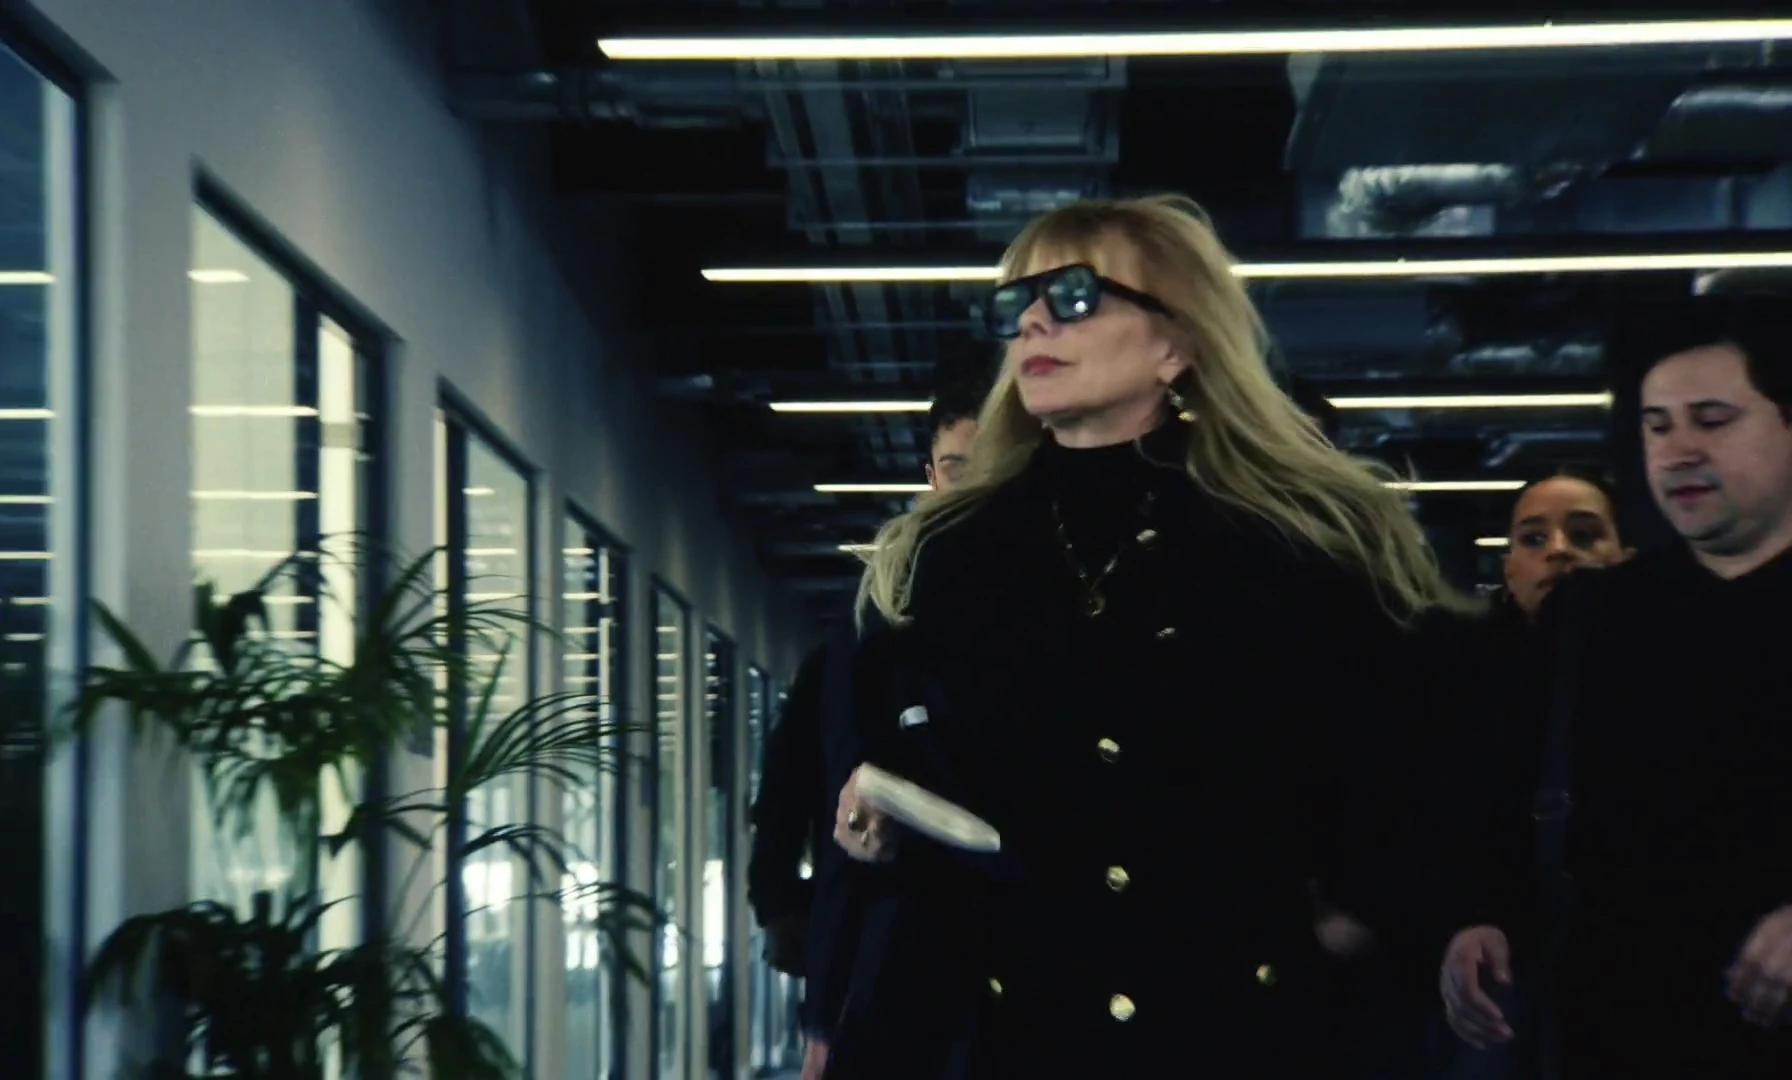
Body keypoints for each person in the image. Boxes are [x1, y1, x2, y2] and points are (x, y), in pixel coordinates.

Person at [819, 194, 1468, 1078]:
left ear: (1176, 343)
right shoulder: (941, 555)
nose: (1035, 321)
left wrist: (1357, 914)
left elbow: (1401, 765)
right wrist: (878, 828)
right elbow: (913, 778)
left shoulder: (1294, 542)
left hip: (1240, 1028)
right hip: (1013, 1031)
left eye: (1076, 295)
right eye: (1017, 303)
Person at [1440, 295, 1792, 1078]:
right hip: (1612, 1030)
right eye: (1657, 426)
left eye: (1713, 420)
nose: (1679, 451)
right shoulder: (1591, 617)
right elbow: (1507, 792)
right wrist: (1480, 918)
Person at [743, 381, 985, 1080]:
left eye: (991, 469)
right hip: (897, 944)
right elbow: (795, 789)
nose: (972, 491)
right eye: (956, 469)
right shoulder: (864, 634)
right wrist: (783, 912)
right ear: (931, 476)